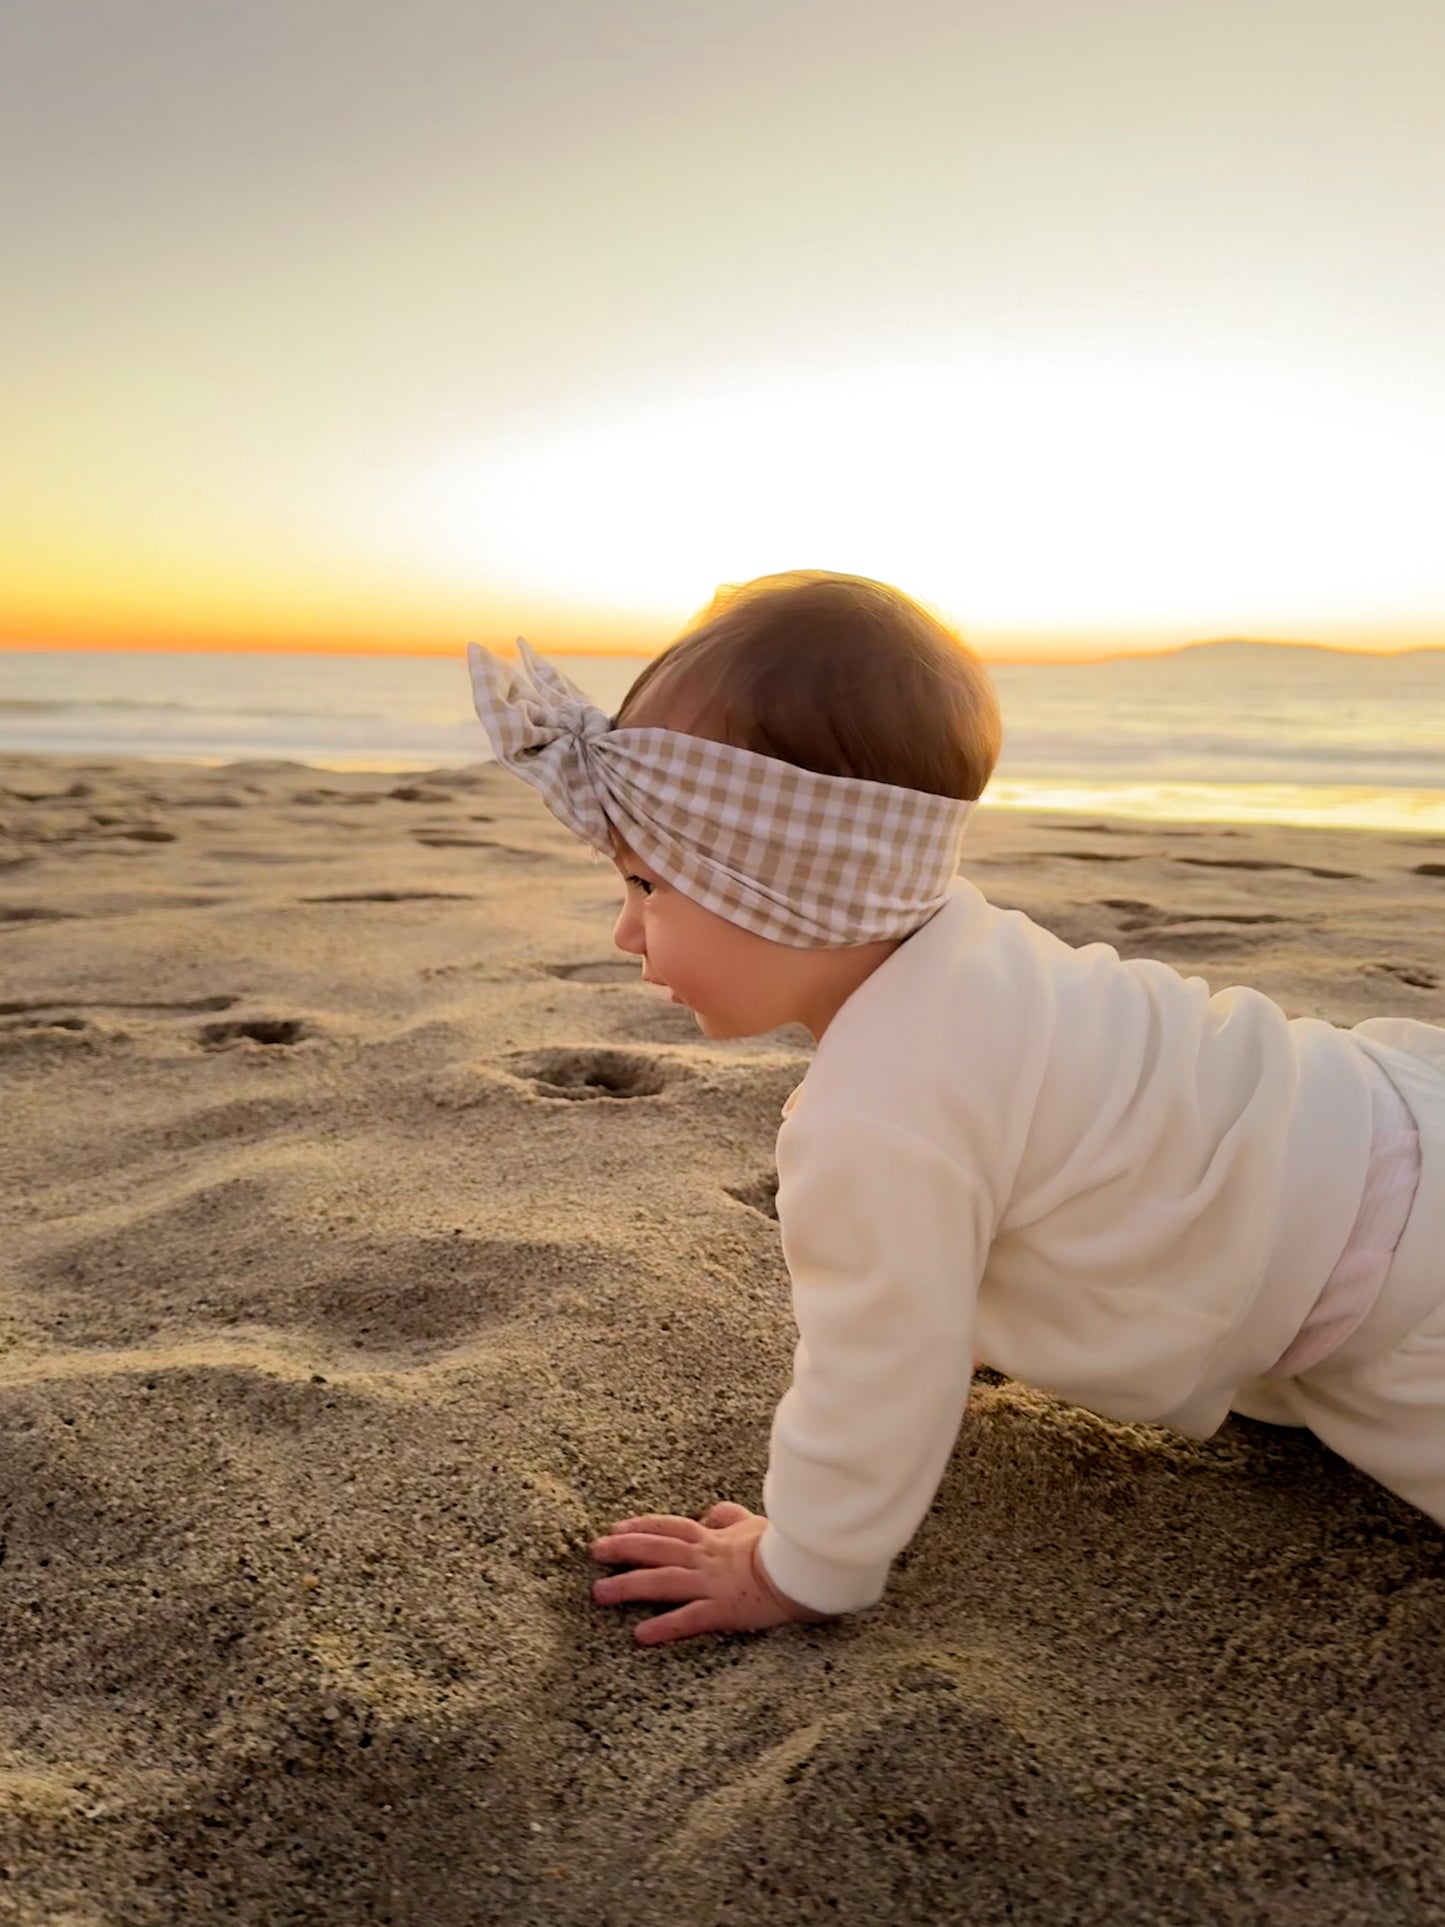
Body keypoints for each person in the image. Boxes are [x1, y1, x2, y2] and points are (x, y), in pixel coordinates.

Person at [467, 571, 1444, 1647]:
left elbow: (879, 1363)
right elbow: (1056, 1153)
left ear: (784, 885)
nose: (624, 932)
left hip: (1403, 1296)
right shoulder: (981, 949)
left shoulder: (870, 1120)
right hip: (1375, 1107)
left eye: (649, 886)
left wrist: (796, 1561)